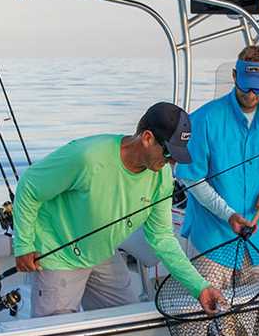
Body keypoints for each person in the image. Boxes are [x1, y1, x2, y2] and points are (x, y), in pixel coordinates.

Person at [12, 101, 223, 318]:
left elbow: (162, 238)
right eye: (168, 153)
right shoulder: (87, 157)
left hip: (102, 253)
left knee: (127, 320)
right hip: (59, 252)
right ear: (147, 138)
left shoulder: (161, 177)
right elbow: (29, 185)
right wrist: (24, 244)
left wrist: (200, 287)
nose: (171, 163)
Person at [176, 45, 259, 287]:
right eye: (246, 85)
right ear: (234, 76)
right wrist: (228, 215)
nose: (251, 94)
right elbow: (191, 178)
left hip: (257, 244)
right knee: (208, 317)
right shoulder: (204, 119)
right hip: (212, 243)